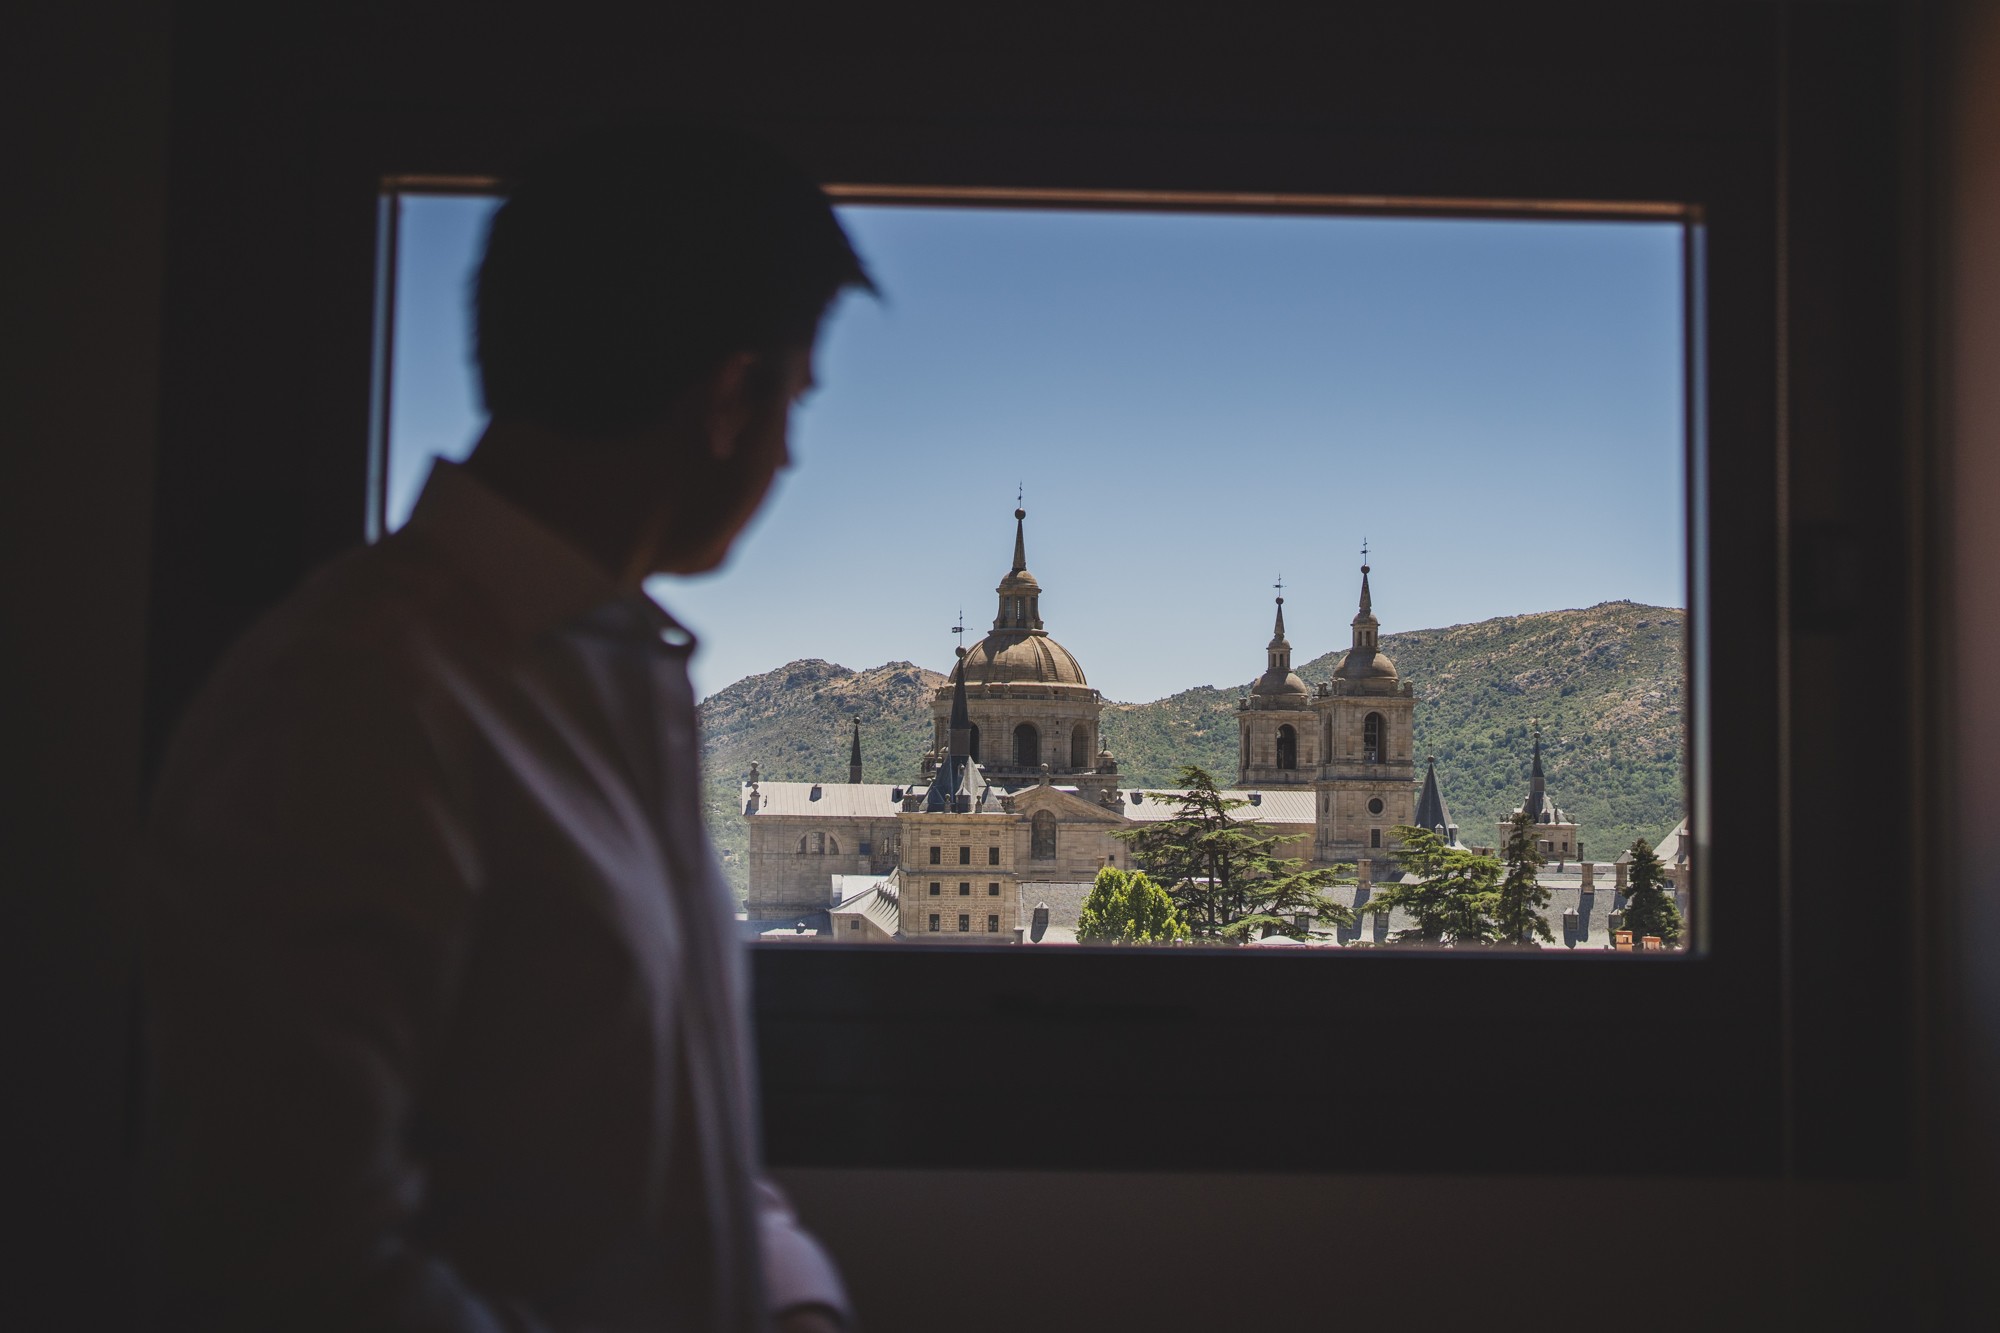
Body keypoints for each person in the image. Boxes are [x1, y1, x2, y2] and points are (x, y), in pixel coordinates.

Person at [140, 124, 874, 1332]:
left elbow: (653, 1140)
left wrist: (788, 1295)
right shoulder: (352, 698)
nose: (791, 455)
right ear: (731, 397)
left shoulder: (610, 683)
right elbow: (283, 1260)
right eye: (793, 401)